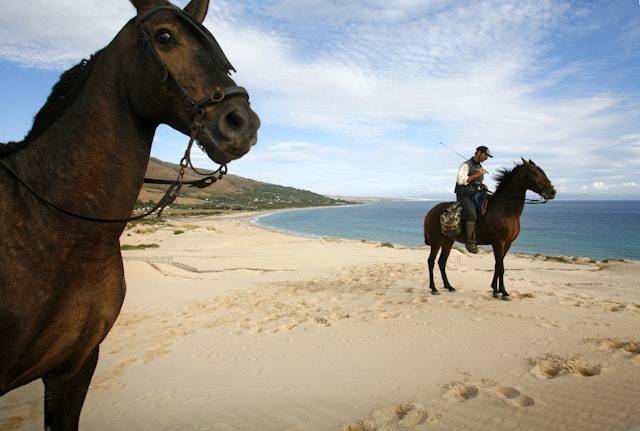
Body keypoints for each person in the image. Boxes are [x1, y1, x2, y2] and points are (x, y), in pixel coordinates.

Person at [454, 145, 492, 253]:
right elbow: (461, 181)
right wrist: (476, 174)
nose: (487, 158)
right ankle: (470, 242)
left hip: (475, 194)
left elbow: (475, 183)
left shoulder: (479, 166)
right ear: (479, 153)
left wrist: (482, 185)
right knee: (472, 213)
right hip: (464, 195)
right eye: (486, 155)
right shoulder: (466, 165)